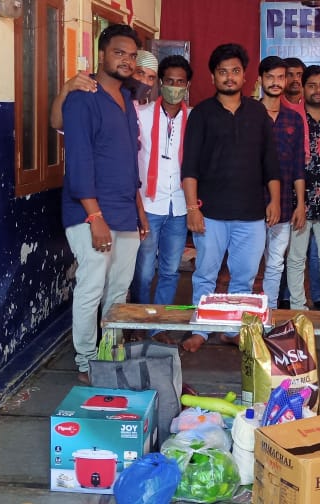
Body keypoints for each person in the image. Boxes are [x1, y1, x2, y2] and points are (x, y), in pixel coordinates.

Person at [60, 24, 149, 383]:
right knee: (92, 286)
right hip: (90, 212)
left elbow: (129, 163)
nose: (126, 61)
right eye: (119, 53)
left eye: (131, 56)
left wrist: (139, 210)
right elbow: (79, 160)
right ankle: (85, 361)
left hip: (125, 210)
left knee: (118, 289)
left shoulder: (126, 100)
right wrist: (94, 216)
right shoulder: (83, 97)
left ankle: (108, 353)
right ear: (101, 54)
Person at [180, 43, 281, 352]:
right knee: (205, 275)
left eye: (235, 71)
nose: (229, 77)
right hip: (210, 214)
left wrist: (274, 201)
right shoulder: (201, 114)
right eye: (222, 72)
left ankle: (234, 329)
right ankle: (201, 329)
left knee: (245, 279)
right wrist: (192, 209)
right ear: (213, 77)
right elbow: (190, 165)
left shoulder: (258, 112)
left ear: (244, 75)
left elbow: (270, 162)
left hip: (250, 215)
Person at [131, 55, 193, 323]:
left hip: (179, 206)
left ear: (187, 85)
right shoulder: (141, 116)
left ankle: (160, 326)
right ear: (160, 83)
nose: (175, 86)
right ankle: (141, 321)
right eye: (169, 81)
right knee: (144, 271)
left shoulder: (194, 119)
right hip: (149, 205)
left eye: (180, 82)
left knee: (169, 270)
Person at [286, 65, 320, 312]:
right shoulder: (292, 119)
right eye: (312, 85)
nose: (317, 90)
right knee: (296, 259)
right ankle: (298, 306)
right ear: (303, 87)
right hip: (297, 203)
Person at [258, 56, 306, 311]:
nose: (276, 83)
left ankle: (269, 314)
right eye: (270, 77)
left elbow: (299, 165)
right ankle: (243, 319)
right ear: (260, 80)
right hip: (251, 205)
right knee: (248, 263)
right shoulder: (249, 114)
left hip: (286, 205)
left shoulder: (294, 120)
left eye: (280, 77)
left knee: (276, 262)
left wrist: (300, 204)